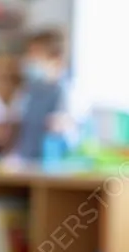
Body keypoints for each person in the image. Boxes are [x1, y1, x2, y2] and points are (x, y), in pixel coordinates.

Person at [6, 30, 82, 162]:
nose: (30, 60)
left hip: (56, 164)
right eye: (29, 54)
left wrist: (61, 125)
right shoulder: (29, 89)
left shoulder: (69, 90)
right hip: (25, 162)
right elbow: (15, 122)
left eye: (36, 54)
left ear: (56, 58)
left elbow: (72, 132)